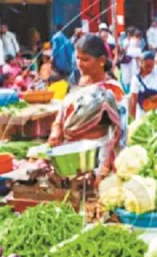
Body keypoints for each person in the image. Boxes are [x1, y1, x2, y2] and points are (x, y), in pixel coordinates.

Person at [49, 34, 124, 179]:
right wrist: (56, 127)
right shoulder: (77, 79)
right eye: (77, 58)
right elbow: (64, 106)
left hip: (96, 157)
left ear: (102, 61)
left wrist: (107, 165)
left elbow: (118, 132)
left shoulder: (111, 90)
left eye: (85, 59)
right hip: (69, 153)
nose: (79, 63)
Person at [129, 51, 157, 120]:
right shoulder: (136, 79)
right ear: (141, 63)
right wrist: (132, 120)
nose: (149, 69)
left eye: (151, 66)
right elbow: (133, 101)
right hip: (142, 116)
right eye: (147, 66)